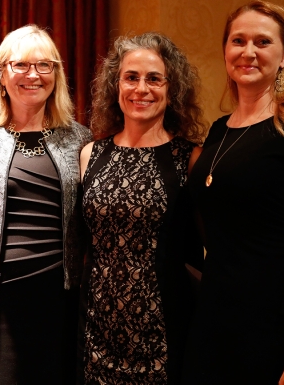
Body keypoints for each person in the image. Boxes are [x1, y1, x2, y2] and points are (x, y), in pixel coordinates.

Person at [181, 0, 284, 385]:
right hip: (213, 322)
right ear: (226, 50)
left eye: (263, 41)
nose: (248, 52)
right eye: (238, 41)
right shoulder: (219, 131)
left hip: (277, 326)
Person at [0, 24, 92, 385]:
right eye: (21, 65)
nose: (33, 75)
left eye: (45, 65)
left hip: (59, 303)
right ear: (1, 74)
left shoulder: (80, 138)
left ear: (56, 76)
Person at [78, 32, 207, 384]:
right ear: (115, 85)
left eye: (154, 79)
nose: (141, 89)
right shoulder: (91, 154)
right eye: (131, 77)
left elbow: (205, 247)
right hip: (94, 333)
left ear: (172, 88)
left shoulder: (190, 158)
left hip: (162, 334)